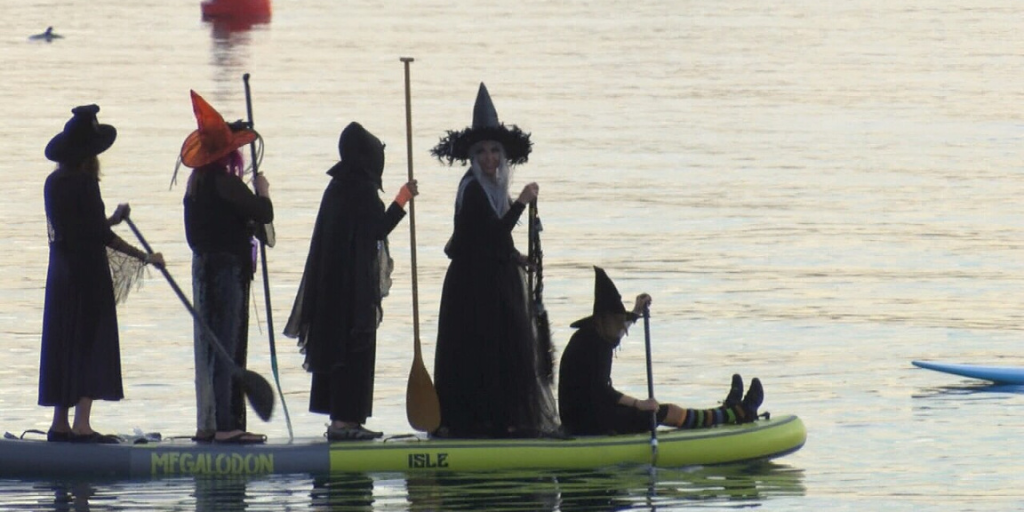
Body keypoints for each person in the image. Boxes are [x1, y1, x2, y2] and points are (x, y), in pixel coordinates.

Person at [430, 83, 558, 438]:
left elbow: (492, 240)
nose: (490, 158)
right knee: (479, 352)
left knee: (501, 352)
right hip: (473, 287)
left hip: (492, 279)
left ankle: (501, 420)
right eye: (483, 152)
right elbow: (490, 233)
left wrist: (517, 257)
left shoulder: (492, 187)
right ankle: (474, 423)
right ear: (473, 156)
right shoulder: (471, 189)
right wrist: (522, 201)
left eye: (495, 152)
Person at [284, 122, 418, 441]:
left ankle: (341, 420)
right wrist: (402, 199)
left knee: (337, 350)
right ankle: (346, 423)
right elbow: (376, 230)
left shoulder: (337, 187)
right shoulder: (361, 190)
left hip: (333, 287)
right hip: (352, 292)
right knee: (352, 352)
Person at [40, 104, 165, 443]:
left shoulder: (53, 182)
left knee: (64, 341)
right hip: (88, 276)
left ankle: (60, 424)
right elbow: (99, 236)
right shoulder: (84, 182)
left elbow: (79, 227)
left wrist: (112, 218)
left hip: (61, 275)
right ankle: (82, 425)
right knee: (90, 342)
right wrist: (145, 257)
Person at [558, 267, 764, 436]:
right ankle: (736, 413)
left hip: (593, 411)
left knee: (658, 410)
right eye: (619, 321)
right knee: (663, 411)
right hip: (584, 422)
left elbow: (617, 336)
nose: (622, 326)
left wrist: (637, 312)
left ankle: (727, 411)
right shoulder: (590, 345)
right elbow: (602, 390)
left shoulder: (597, 335)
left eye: (623, 321)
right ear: (602, 320)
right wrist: (639, 404)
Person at [179, 90, 273, 444]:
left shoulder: (195, 187)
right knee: (229, 345)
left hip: (203, 270)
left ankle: (209, 423)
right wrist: (262, 190)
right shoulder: (226, 183)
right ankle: (228, 426)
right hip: (227, 273)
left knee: (209, 346)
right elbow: (263, 214)